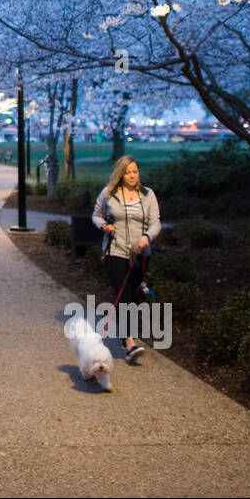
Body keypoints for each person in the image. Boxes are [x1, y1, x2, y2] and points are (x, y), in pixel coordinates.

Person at [91, 155, 161, 362]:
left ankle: (126, 334)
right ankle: (130, 342)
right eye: (128, 172)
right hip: (115, 251)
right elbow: (96, 215)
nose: (132, 176)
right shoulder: (109, 193)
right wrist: (104, 226)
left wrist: (147, 236)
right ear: (121, 174)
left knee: (135, 296)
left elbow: (156, 222)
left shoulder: (148, 195)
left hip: (140, 254)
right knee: (124, 295)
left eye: (135, 172)